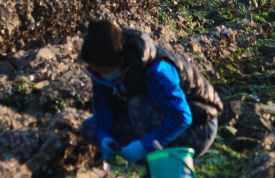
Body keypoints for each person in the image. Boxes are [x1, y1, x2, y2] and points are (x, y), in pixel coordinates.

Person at [79, 20, 222, 164]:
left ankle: (162, 165)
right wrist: (104, 136)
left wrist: (144, 145)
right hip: (155, 121)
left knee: (138, 105)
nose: (99, 76)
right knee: (90, 128)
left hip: (198, 128)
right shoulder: (100, 74)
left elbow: (182, 116)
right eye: (95, 71)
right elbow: (101, 105)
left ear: (117, 62)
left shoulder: (157, 70)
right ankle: (151, 165)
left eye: (103, 71)